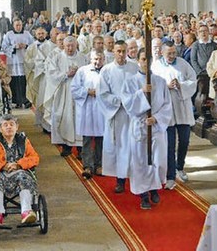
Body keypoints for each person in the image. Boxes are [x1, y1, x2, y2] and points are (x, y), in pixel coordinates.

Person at [122, 48, 171, 209]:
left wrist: (156, 118)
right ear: (138, 61)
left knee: (158, 160)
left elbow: (167, 105)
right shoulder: (130, 81)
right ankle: (143, 195)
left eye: (148, 59)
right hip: (140, 126)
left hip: (156, 127)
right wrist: (141, 93)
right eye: (142, 59)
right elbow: (127, 103)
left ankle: (154, 188)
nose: (145, 62)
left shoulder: (160, 81)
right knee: (141, 161)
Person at [151, 41, 197, 190]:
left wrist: (181, 85)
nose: (171, 56)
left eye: (173, 53)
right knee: (169, 145)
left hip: (182, 107)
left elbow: (193, 81)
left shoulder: (183, 64)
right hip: (166, 110)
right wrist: (166, 86)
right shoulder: (156, 66)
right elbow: (153, 85)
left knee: (184, 140)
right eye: (168, 53)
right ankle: (170, 176)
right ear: (162, 53)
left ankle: (180, 167)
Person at [0, 114, 40, 226]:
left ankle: (27, 212)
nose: (9, 127)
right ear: (0, 128)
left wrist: (19, 164)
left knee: (24, 178)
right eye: (5, 125)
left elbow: (35, 158)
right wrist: (1, 165)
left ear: (17, 127)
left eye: (12, 124)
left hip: (19, 172)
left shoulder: (23, 141)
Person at [98, 40, 138, 193]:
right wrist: (119, 101)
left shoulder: (134, 68)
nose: (121, 54)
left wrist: (133, 103)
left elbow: (140, 88)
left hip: (133, 114)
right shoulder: (107, 70)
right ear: (113, 51)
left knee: (134, 147)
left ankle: (136, 179)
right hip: (116, 114)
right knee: (119, 147)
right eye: (118, 51)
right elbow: (102, 93)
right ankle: (120, 179)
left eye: (123, 51)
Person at [44, 36, 87, 157]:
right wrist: (66, 74)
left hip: (79, 93)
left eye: (72, 45)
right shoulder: (57, 58)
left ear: (76, 45)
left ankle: (80, 148)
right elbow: (51, 74)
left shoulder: (83, 58)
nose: (69, 48)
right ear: (63, 45)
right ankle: (65, 146)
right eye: (67, 45)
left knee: (79, 118)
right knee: (64, 117)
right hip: (63, 91)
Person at [70, 50, 105, 179]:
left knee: (101, 139)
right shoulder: (82, 71)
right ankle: (88, 166)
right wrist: (87, 92)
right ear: (90, 59)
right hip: (87, 109)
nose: (97, 61)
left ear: (104, 59)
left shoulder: (107, 71)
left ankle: (99, 164)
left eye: (100, 59)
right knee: (87, 139)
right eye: (95, 59)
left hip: (102, 110)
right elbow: (74, 88)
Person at [24, 27, 56, 130]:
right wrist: (37, 64)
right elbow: (27, 61)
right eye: (39, 34)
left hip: (48, 75)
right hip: (37, 75)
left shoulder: (52, 46)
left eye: (42, 33)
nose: (41, 35)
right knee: (40, 98)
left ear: (46, 34)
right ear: (35, 35)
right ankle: (40, 121)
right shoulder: (31, 47)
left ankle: (48, 123)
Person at [1, 19, 33, 109]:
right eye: (16, 25)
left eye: (20, 25)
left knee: (23, 81)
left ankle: (25, 100)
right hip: (13, 61)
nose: (18, 27)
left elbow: (33, 45)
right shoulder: (9, 34)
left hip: (24, 60)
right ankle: (15, 101)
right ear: (13, 26)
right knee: (15, 81)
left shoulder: (27, 34)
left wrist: (26, 46)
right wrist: (14, 47)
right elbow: (4, 47)